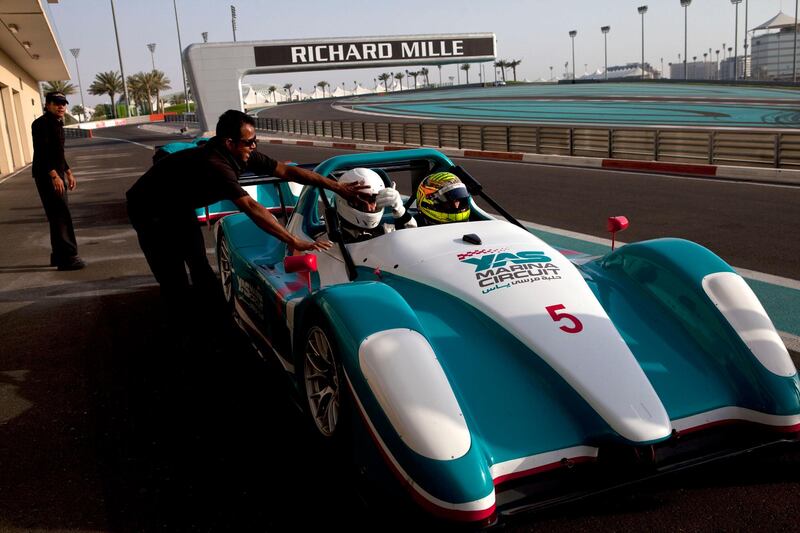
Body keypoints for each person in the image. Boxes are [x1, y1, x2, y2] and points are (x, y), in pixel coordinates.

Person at [126, 109, 368, 332]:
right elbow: (252, 207)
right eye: (249, 142)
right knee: (175, 281)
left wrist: (338, 187)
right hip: (150, 209)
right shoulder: (216, 164)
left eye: (255, 141)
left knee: (200, 267)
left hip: (178, 205)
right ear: (229, 143)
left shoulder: (240, 153)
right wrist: (294, 240)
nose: (254, 146)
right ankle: (183, 336)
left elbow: (288, 172)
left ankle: (217, 328)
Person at [32, 91, 85, 270]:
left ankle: (57, 255)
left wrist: (68, 172)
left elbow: (58, 153)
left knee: (57, 215)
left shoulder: (56, 123)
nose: (61, 106)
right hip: (47, 175)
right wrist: (54, 175)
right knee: (61, 214)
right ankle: (68, 258)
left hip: (56, 173)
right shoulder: (41, 124)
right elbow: (42, 152)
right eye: (56, 103)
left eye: (63, 103)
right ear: (47, 105)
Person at [333, 167, 416, 243]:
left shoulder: (387, 232)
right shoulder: (327, 242)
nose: (370, 208)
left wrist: (400, 211)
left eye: (373, 200)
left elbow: (413, 242)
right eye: (361, 200)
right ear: (344, 201)